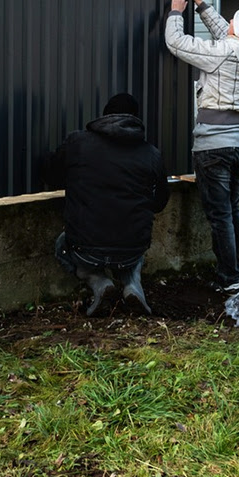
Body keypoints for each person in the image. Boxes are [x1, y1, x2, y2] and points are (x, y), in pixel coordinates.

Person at [164, 0, 239, 294]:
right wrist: (202, 6)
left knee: (220, 216)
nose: (230, 23)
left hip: (214, 145)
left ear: (237, 29)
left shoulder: (222, 52)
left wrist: (176, 13)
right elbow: (230, 33)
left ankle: (229, 278)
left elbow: (177, 43)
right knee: (233, 211)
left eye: (233, 20)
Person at [45, 93, 169, 316]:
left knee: (62, 246)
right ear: (135, 120)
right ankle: (133, 286)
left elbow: (52, 174)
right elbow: (159, 203)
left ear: (104, 116)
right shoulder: (151, 154)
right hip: (132, 248)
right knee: (134, 245)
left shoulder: (77, 143)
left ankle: (100, 282)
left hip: (86, 249)